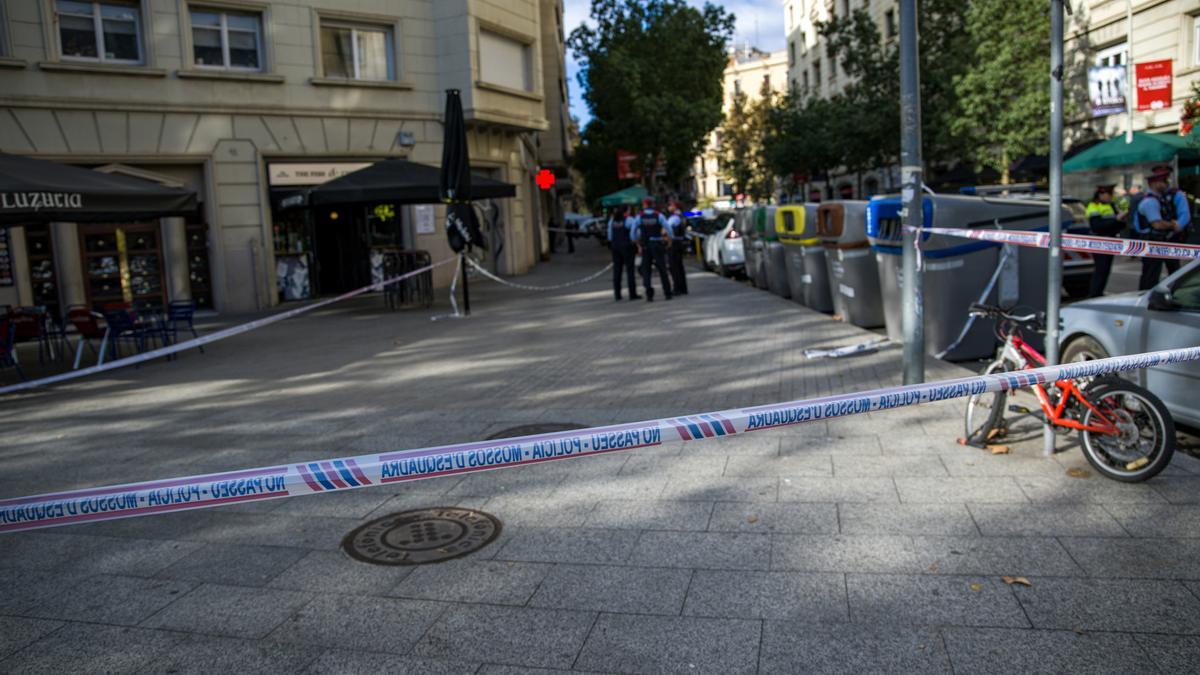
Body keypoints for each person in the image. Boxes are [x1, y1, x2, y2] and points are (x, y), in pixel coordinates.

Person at [1134, 166, 1190, 290]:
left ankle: (1173, 295)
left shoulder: (1173, 195)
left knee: (1173, 271)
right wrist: (1173, 225)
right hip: (1152, 240)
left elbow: (1184, 215)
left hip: (1167, 239)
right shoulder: (1150, 200)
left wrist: (1176, 227)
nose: (1166, 183)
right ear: (1154, 183)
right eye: (1162, 180)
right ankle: (1145, 298)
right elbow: (1157, 224)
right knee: (1151, 273)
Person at [1084, 184, 1125, 297]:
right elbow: (1096, 226)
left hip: (1110, 241)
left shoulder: (1111, 205)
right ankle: (1094, 294)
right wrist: (1116, 220)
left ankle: (1098, 293)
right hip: (1099, 242)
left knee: (1106, 270)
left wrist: (1120, 219)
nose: (1111, 196)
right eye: (1109, 194)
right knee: (1101, 270)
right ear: (1101, 194)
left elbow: (1119, 223)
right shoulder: (1093, 206)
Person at [632, 197, 672, 301]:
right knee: (662, 269)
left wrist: (636, 242)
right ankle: (667, 292)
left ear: (644, 205)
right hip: (657, 244)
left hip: (646, 246)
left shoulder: (639, 217)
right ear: (652, 204)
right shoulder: (659, 215)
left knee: (646, 270)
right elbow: (668, 228)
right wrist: (669, 239)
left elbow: (633, 232)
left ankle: (649, 294)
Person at [607, 207, 639, 301]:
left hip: (615, 246)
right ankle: (632, 294)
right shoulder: (629, 220)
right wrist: (635, 241)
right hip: (627, 246)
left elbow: (609, 235)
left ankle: (617, 294)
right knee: (630, 270)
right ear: (626, 211)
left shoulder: (612, 220)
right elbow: (633, 234)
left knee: (617, 270)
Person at [665, 204, 689, 295]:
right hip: (678, 243)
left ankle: (677, 288)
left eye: (670, 205)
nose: (669, 207)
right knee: (678, 266)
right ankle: (682, 288)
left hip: (674, 244)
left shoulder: (674, 217)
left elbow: (667, 228)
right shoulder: (679, 216)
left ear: (675, 207)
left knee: (674, 267)